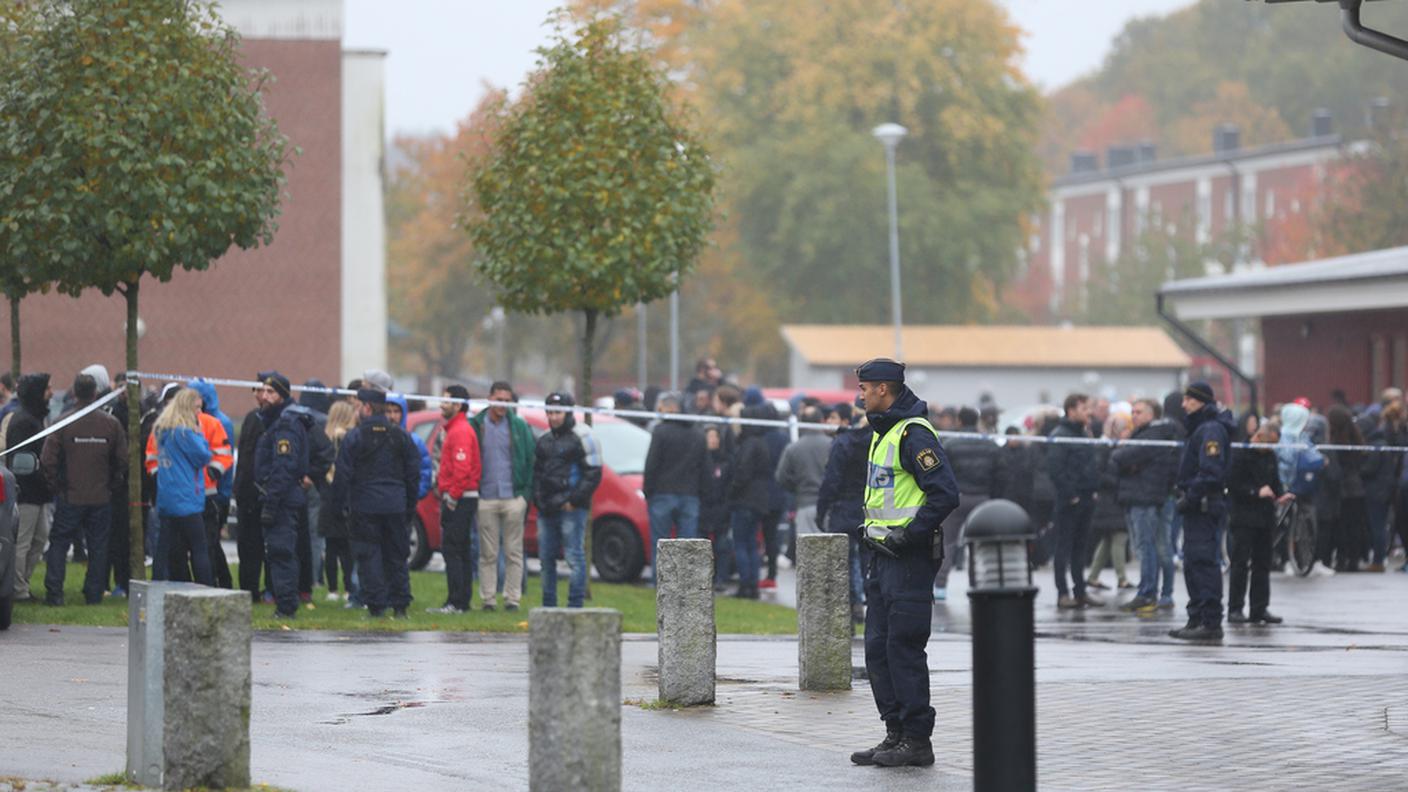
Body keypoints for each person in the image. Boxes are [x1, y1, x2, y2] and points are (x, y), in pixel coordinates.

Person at [848, 358, 958, 769]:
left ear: (882, 389)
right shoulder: (885, 431)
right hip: (882, 555)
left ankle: (916, 740)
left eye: (863, 388)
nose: (859, 395)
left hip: (908, 557)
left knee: (903, 646)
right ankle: (894, 732)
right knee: (877, 647)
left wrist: (908, 533)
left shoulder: (913, 434)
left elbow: (945, 494)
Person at [331, 388, 421, 619]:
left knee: (369, 556)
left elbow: (342, 474)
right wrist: (409, 505)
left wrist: (338, 507)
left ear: (368, 407)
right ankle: (400, 605)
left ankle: (376, 605)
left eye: (359, 406)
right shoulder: (400, 436)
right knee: (397, 556)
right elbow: (413, 474)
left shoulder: (356, 436)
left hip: (364, 506)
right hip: (395, 505)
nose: (357, 410)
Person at [40, 374, 127, 606]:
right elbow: (121, 461)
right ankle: (94, 593)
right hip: (101, 497)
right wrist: (111, 486)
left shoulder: (63, 422)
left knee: (59, 544)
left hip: (70, 496)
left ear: (75, 393)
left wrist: (57, 487)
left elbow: (48, 460)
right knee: (99, 546)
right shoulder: (111, 424)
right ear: (96, 393)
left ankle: (55, 593)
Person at [1169, 381, 1235, 642]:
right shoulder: (1201, 428)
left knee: (1203, 563)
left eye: (1189, 399)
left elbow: (1211, 471)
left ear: (1201, 401)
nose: (1184, 405)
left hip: (1204, 506)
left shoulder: (1210, 430)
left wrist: (1192, 495)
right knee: (1193, 563)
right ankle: (1196, 617)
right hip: (1197, 505)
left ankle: (1209, 621)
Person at [254, 372, 315, 619]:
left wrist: (271, 503)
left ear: (282, 395)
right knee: (281, 551)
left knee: (281, 552)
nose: (265, 396)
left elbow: (284, 466)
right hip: (281, 496)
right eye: (263, 391)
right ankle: (286, 602)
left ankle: (286, 607)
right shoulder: (276, 421)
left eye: (271, 392)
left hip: (281, 498)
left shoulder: (285, 424)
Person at [469, 381, 534, 611]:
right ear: (490, 399)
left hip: (513, 497)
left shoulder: (519, 427)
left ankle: (512, 599)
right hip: (486, 497)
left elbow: (530, 461)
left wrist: (524, 496)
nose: (502, 405)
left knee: (513, 552)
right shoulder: (477, 425)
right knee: (487, 553)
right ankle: (488, 598)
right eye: (499, 400)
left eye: (507, 401)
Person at [532, 392, 602, 608]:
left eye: (558, 412)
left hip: (571, 509)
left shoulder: (584, 436)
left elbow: (593, 473)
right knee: (546, 560)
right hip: (547, 510)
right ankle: (548, 606)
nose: (553, 417)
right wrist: (539, 501)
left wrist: (574, 500)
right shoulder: (544, 439)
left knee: (574, 558)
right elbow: (537, 474)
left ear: (569, 412)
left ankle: (575, 607)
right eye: (550, 412)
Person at [932, 406, 1006, 601]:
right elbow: (1001, 474)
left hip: (957, 498)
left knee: (947, 543)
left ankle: (940, 587)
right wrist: (993, 496)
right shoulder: (989, 445)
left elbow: (942, 473)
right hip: (982, 499)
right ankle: (978, 584)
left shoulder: (950, 444)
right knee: (979, 543)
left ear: (959, 421)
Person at [1112, 398, 1179, 613]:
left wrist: (1122, 453)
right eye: (1133, 411)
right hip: (1153, 496)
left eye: (1139, 412)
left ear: (1152, 414)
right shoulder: (1157, 434)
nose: (1134, 416)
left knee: (1147, 546)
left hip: (1145, 497)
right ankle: (1164, 593)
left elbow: (1121, 457)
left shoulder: (1151, 435)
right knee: (1161, 548)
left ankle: (1147, 592)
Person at [149, 389, 215, 585]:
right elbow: (203, 455)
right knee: (199, 547)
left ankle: (157, 584)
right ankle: (206, 588)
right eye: (197, 408)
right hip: (186, 498)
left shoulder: (163, 430)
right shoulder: (185, 432)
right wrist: (199, 433)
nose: (199, 413)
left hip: (167, 496)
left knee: (163, 547)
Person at [1227, 421, 1289, 625]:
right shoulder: (1240, 455)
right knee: (1240, 563)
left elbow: (1274, 481)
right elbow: (1233, 484)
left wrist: (1281, 494)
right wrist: (1255, 491)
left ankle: (1259, 608)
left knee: (1263, 564)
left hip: (1264, 517)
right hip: (1244, 516)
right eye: (1270, 443)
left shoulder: (1269, 456)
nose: (1271, 448)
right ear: (1259, 437)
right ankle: (1235, 608)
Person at [642, 392, 706, 583]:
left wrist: (648, 491)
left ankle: (659, 581)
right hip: (690, 495)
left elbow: (652, 463)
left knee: (660, 543)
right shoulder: (698, 434)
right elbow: (704, 467)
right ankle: (687, 583)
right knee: (688, 546)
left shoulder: (661, 432)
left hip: (662, 493)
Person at [816, 407, 872, 624]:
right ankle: (871, 608)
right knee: (870, 563)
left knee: (840, 565)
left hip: (842, 509)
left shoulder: (842, 443)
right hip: (869, 508)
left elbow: (831, 481)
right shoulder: (879, 444)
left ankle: (845, 612)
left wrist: (822, 511)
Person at [1047, 393, 1103, 609]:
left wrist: (1093, 490)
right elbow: (1056, 470)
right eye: (1084, 408)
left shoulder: (1083, 433)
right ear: (1071, 410)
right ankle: (1063, 593)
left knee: (1081, 548)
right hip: (1069, 501)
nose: (1088, 412)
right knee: (1063, 548)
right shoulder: (1060, 435)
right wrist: (1071, 495)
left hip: (1087, 499)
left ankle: (1080, 592)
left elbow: (1090, 466)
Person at [429, 385, 481, 614]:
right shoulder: (455, 428)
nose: (442, 404)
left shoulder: (459, 431)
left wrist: (451, 497)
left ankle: (456, 602)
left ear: (458, 405)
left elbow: (462, 468)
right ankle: (460, 601)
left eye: (447, 401)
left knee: (453, 550)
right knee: (460, 550)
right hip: (461, 496)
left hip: (460, 498)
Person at [3, 373, 52, 602]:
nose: (51, 393)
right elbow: (22, 460)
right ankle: (18, 589)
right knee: (23, 542)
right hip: (27, 493)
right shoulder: (24, 422)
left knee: (40, 539)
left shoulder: (34, 418)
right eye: (47, 388)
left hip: (39, 494)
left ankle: (22, 582)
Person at [235, 371, 274, 603]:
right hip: (247, 494)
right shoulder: (251, 418)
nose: (260, 395)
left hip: (267, 493)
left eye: (265, 390)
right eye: (258, 390)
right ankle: (248, 589)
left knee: (269, 547)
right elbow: (244, 459)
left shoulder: (279, 419)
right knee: (247, 547)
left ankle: (271, 589)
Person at [726, 404, 773, 599]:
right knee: (752, 543)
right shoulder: (762, 443)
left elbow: (742, 472)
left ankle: (745, 584)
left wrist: (732, 491)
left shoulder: (748, 444)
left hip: (744, 499)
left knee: (741, 543)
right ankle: (753, 582)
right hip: (759, 500)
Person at [1086, 411, 1133, 592]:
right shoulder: (1107, 449)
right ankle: (1121, 578)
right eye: (1125, 429)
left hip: (1111, 500)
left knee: (1107, 541)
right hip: (1112, 500)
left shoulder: (1112, 448)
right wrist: (1119, 483)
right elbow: (1102, 475)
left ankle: (1093, 576)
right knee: (1119, 537)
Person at [318, 401, 360, 603]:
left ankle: (332, 588)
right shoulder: (348, 437)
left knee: (331, 547)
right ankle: (349, 587)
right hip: (344, 495)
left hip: (327, 496)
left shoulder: (326, 437)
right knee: (347, 549)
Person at [775, 405, 832, 538]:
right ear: (821, 421)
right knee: (830, 553)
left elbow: (781, 477)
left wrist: (797, 487)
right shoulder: (832, 445)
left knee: (806, 553)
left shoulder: (793, 448)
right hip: (829, 507)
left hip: (805, 504)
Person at [699, 425, 734, 589]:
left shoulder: (726, 461)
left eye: (715, 437)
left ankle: (721, 578)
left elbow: (729, 486)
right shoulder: (699, 460)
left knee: (722, 545)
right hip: (704, 507)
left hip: (721, 507)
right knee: (703, 545)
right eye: (709, 437)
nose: (713, 440)